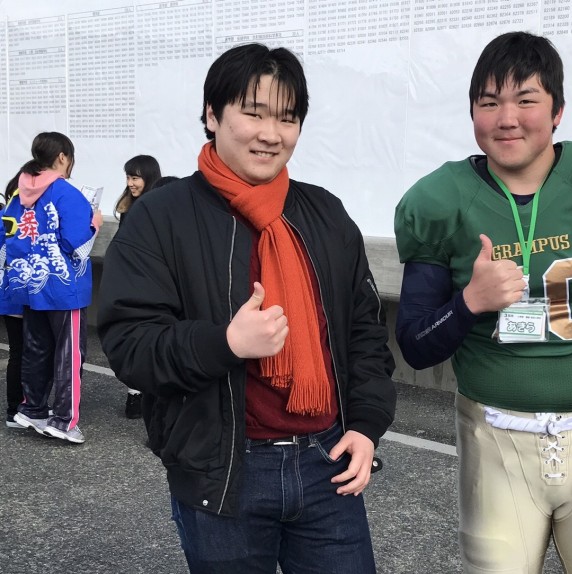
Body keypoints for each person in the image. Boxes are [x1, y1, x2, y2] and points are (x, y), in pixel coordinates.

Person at [97, 43, 396, 573]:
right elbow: (130, 344)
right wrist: (226, 343)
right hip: (224, 471)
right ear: (212, 115)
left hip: (327, 461)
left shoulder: (324, 214)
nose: (271, 133)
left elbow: (365, 332)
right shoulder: (160, 218)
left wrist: (368, 425)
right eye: (253, 113)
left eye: (287, 118)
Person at [394, 32, 572, 573]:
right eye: (489, 102)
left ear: (558, 110)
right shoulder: (440, 201)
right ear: (472, 111)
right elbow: (415, 346)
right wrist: (469, 302)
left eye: (526, 100)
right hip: (495, 443)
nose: (507, 119)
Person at [1, 132, 103, 444]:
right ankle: (63, 420)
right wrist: (95, 223)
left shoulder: (19, 194)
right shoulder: (65, 193)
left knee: (36, 350)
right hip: (63, 288)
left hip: (30, 286)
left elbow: (7, 238)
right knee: (69, 354)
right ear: (62, 157)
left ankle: (32, 409)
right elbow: (77, 244)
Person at [114, 154, 162, 419]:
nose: (130, 183)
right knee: (135, 341)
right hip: (132, 284)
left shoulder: (157, 205)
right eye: (128, 177)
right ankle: (135, 395)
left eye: (135, 178)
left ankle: (145, 397)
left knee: (149, 341)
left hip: (152, 286)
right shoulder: (128, 208)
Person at [1, 169, 24, 429]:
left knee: (19, 352)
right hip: (22, 294)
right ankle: (18, 408)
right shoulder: (19, 218)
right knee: (27, 353)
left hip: (9, 293)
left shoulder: (4, 216)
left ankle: (15, 409)